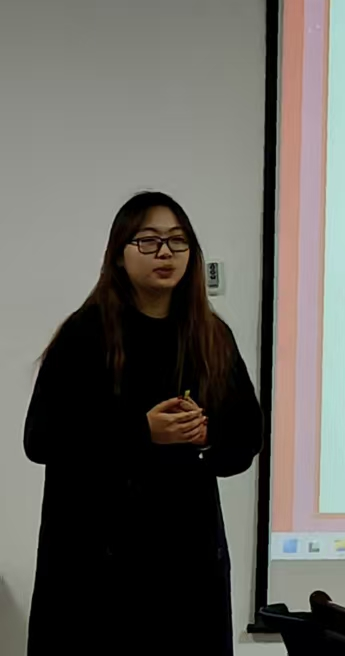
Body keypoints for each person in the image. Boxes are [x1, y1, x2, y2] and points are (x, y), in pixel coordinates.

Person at [24, 192, 262, 656]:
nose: (165, 253)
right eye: (149, 241)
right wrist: (141, 432)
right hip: (96, 565)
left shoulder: (211, 335)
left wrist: (207, 435)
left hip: (187, 563)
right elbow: (42, 439)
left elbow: (246, 437)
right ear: (119, 253)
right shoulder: (85, 334)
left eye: (178, 241)